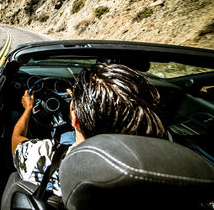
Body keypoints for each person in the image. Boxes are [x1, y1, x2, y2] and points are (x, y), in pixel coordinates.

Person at [11, 62, 166, 197]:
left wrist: (28, 109)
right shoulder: (162, 172)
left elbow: (16, 141)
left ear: (74, 118)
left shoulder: (46, 157)